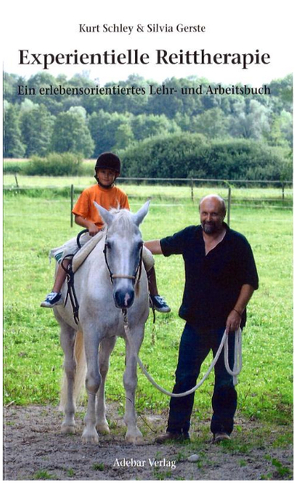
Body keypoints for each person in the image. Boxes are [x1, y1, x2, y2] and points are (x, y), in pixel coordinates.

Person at [144, 194, 259, 443]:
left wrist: (237, 312)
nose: (209, 218)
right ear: (200, 214)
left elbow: (250, 282)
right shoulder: (190, 236)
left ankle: (221, 430)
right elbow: (161, 246)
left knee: (225, 380)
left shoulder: (238, 243)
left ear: (223, 215)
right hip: (194, 323)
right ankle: (176, 430)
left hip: (226, 326)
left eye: (214, 214)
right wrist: (130, 244)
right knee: (184, 376)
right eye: (205, 213)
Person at [41, 152, 170, 313]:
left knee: (148, 258)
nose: (106, 176)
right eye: (103, 172)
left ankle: (154, 296)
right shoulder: (89, 193)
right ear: (97, 173)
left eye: (110, 173)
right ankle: (55, 292)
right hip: (92, 235)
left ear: (116, 175)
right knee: (67, 255)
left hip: (115, 236)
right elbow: (78, 217)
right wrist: (89, 224)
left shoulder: (121, 195)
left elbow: (125, 220)